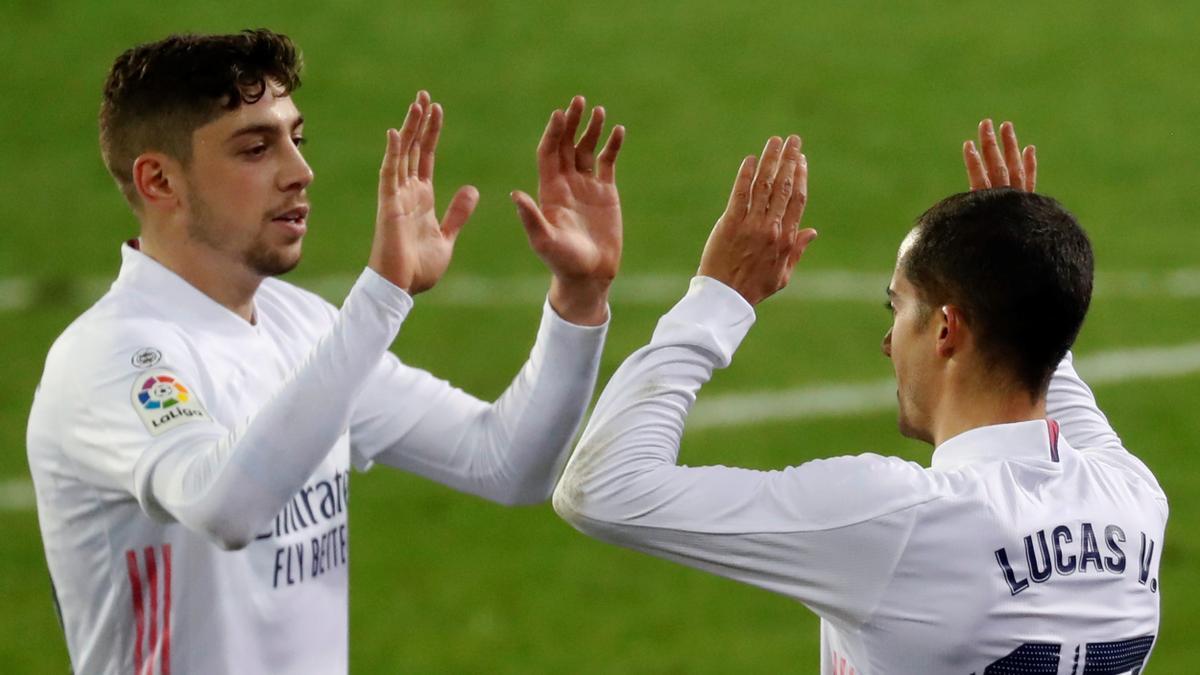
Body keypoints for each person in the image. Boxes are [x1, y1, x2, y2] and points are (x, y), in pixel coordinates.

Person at [26, 29, 625, 674]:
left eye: (296, 138)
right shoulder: (112, 359)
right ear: (159, 180)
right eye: (256, 148)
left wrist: (580, 297)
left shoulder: (300, 326)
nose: (300, 171)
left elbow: (507, 465)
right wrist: (383, 295)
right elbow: (224, 508)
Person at [554, 121, 1167, 673]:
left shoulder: (898, 520)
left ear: (947, 330)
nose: (886, 341)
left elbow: (603, 490)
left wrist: (719, 295)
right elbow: (1048, 354)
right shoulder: (1133, 498)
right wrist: (1020, 262)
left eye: (896, 307)